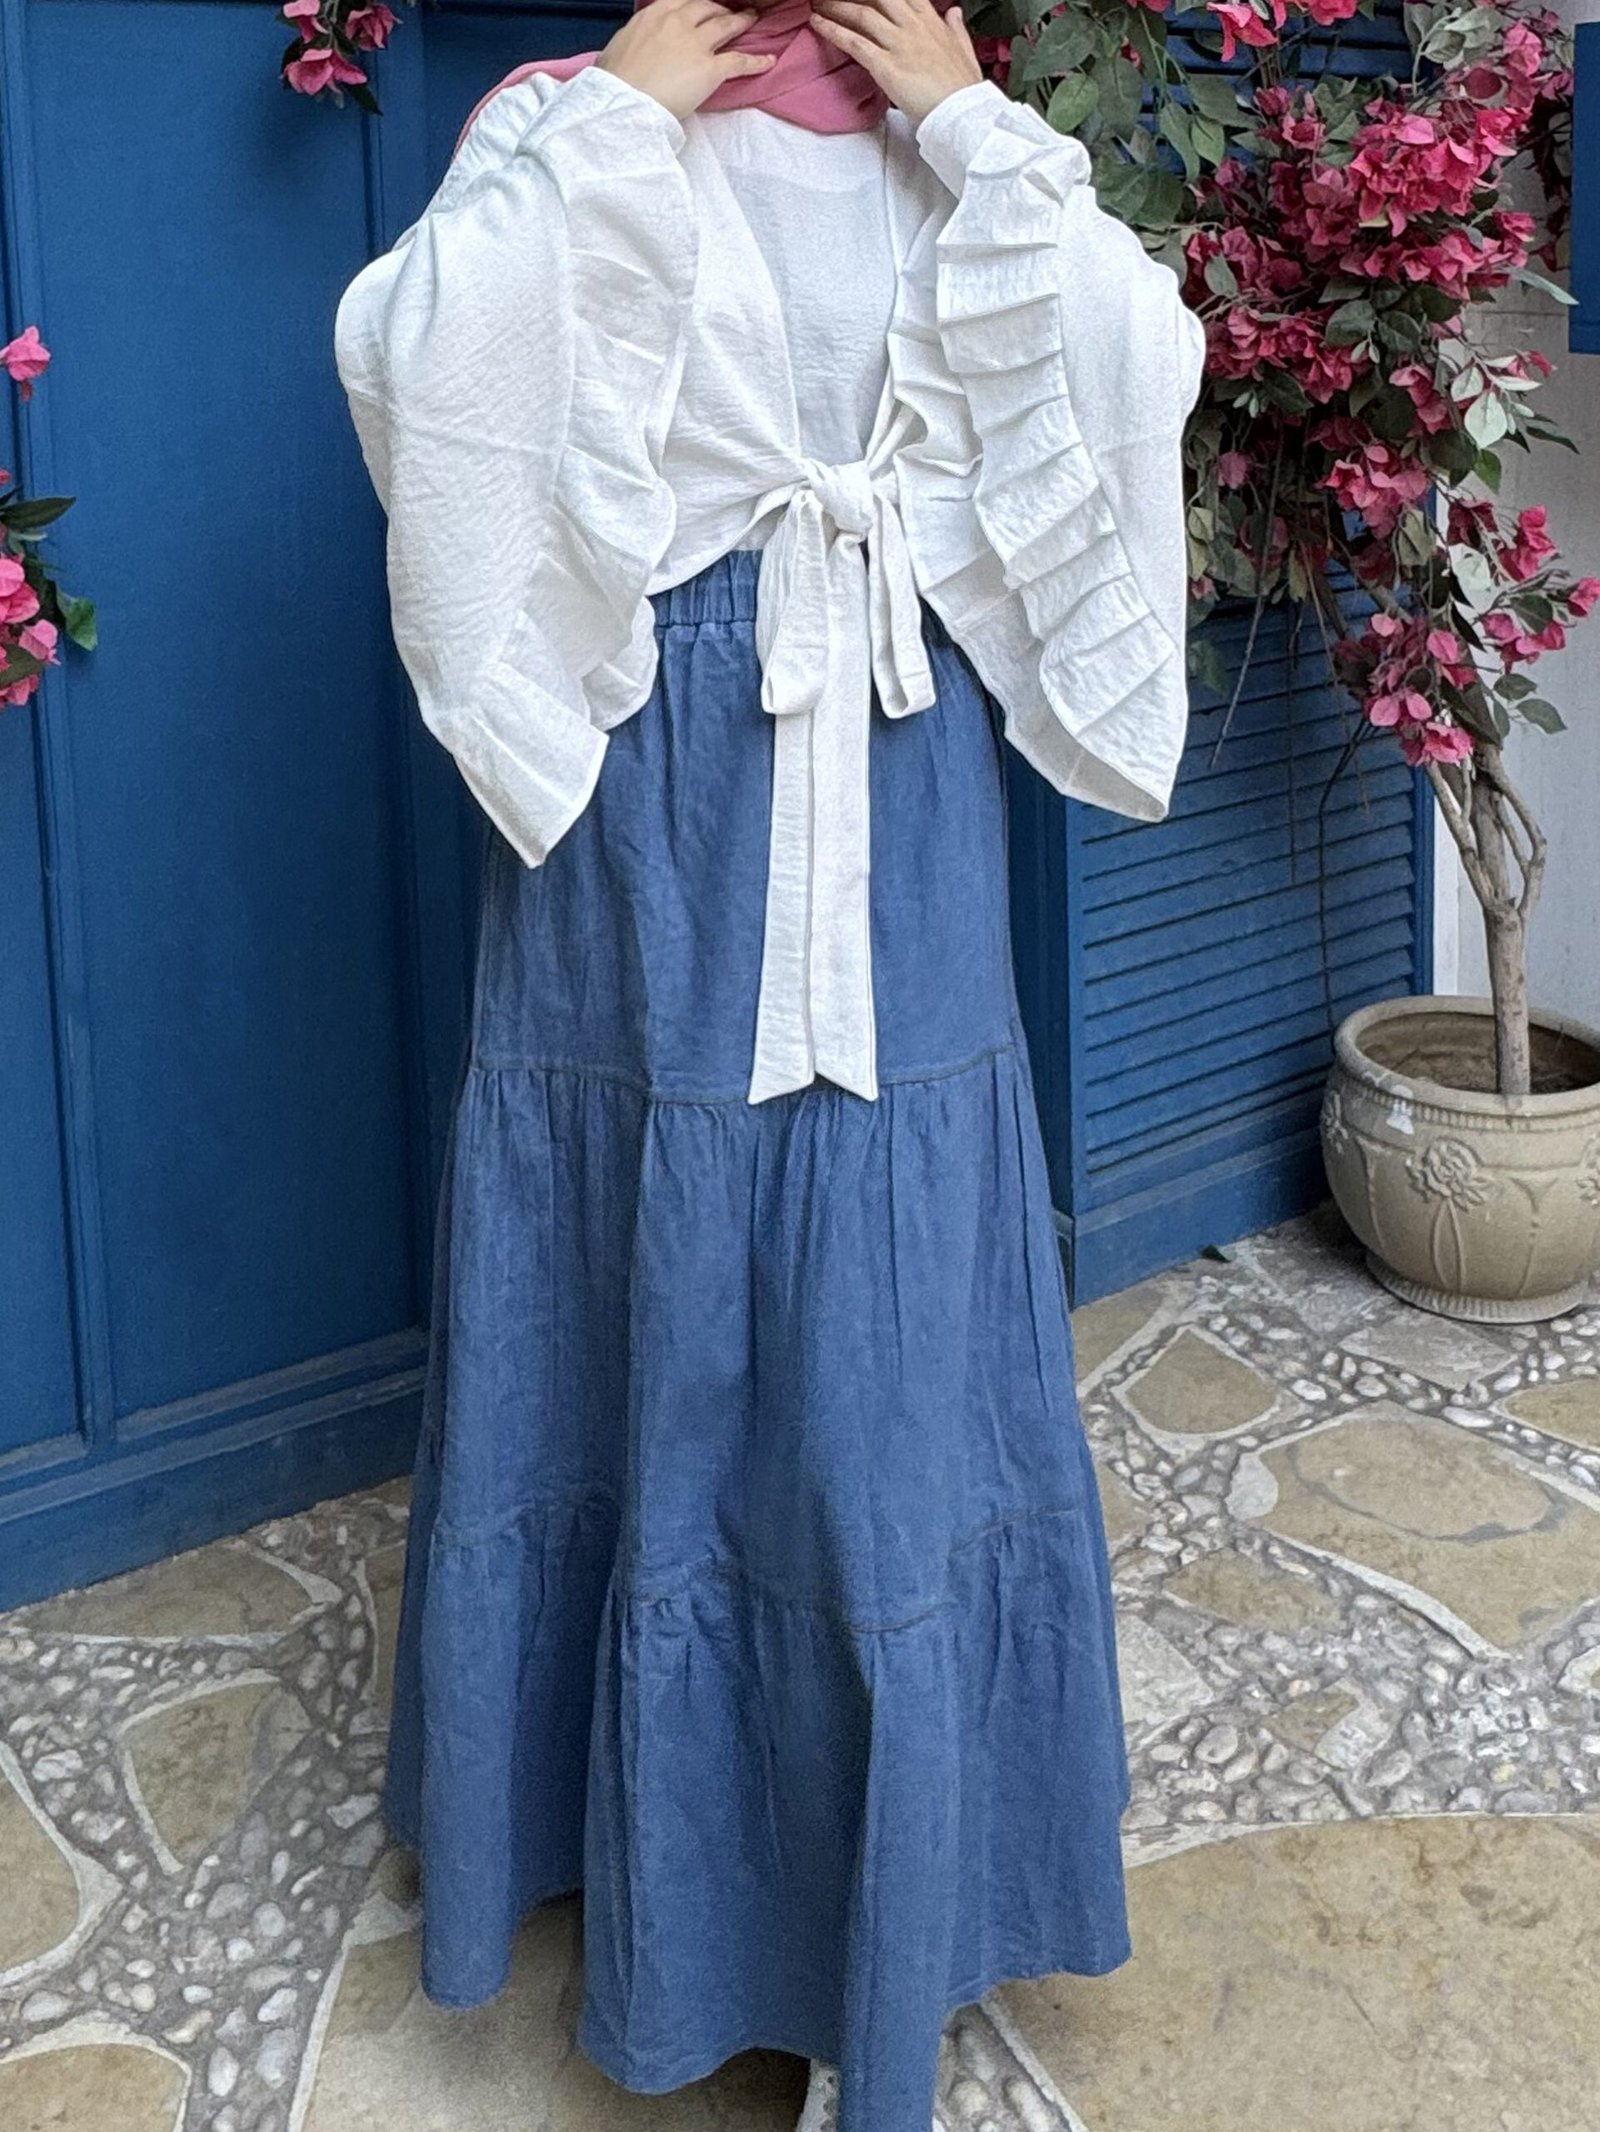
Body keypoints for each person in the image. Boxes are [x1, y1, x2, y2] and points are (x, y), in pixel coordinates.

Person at [331, 2, 1206, 2127]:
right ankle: (612, 1845)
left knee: (885, 1316)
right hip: (647, 810)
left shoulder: (945, 139)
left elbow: (1134, 357)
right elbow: (419, 370)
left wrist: (977, 128)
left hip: (891, 781)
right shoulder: (565, 121)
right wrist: (613, 126)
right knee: (637, 1275)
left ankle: (882, 1902)